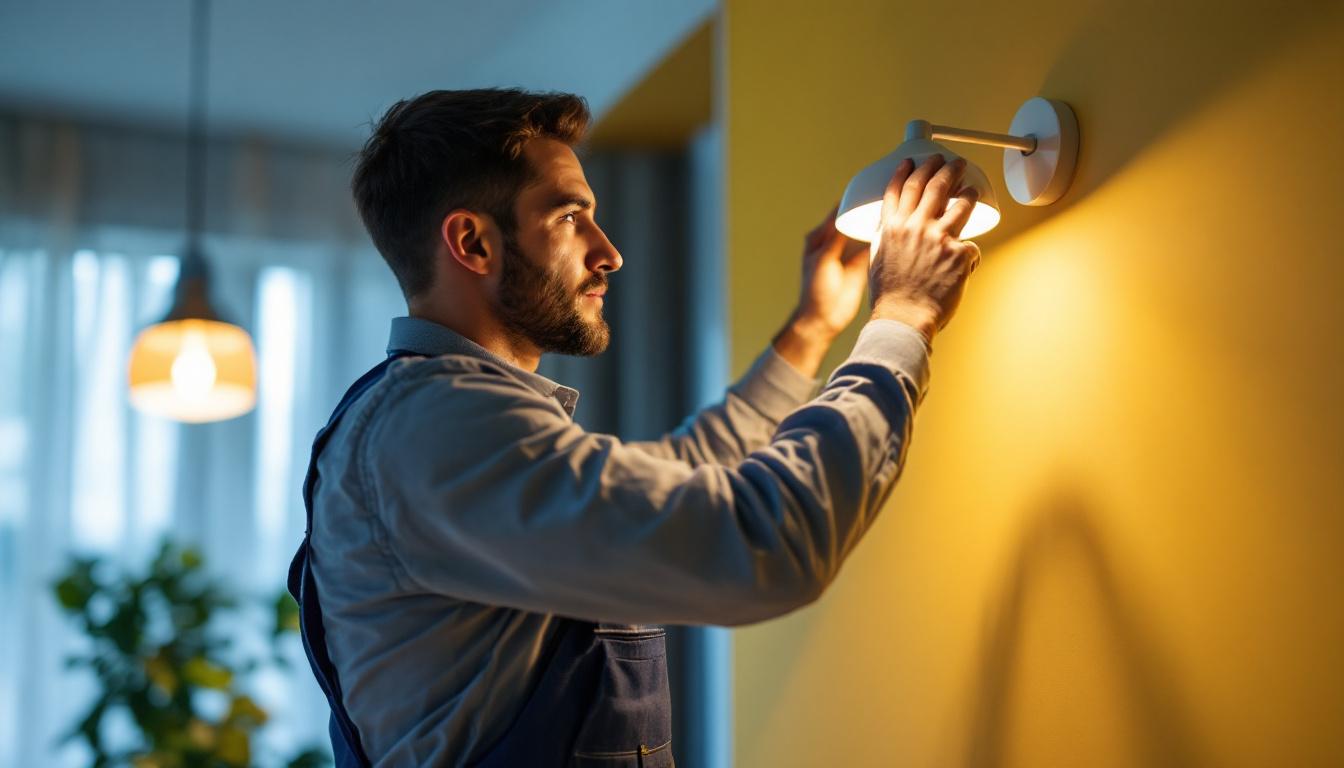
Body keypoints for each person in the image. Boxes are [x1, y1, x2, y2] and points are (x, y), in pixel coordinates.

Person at [288, 88, 981, 767]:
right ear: (472, 242)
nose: (610, 252)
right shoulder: (437, 428)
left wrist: (810, 331)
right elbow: (762, 544)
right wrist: (901, 320)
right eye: (570, 217)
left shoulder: (434, 418)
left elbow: (672, 480)